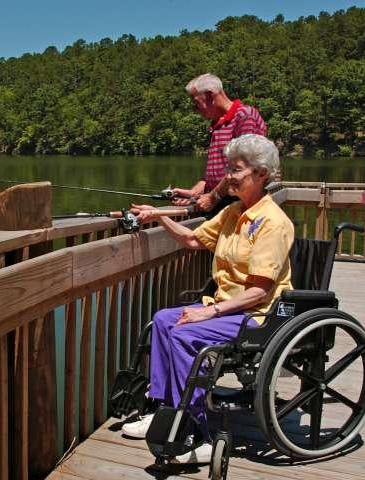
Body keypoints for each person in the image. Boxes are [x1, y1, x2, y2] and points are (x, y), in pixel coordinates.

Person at [121, 134, 294, 464]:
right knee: (162, 320)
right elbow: (192, 240)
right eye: (229, 168)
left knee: (185, 334)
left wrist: (208, 313)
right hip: (224, 307)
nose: (228, 175)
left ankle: (199, 430)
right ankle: (165, 409)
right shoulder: (233, 213)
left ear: (260, 174)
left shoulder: (272, 222)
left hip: (256, 316)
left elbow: (260, 290)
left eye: (237, 170)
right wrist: (158, 215)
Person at [173, 74, 267, 217]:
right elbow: (215, 174)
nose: (195, 109)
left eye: (196, 103)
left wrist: (213, 197)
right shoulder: (218, 124)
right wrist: (195, 192)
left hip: (237, 205)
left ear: (210, 95)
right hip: (222, 203)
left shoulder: (244, 116)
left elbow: (244, 168)